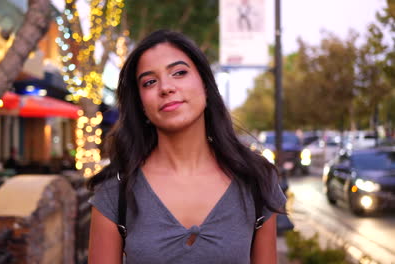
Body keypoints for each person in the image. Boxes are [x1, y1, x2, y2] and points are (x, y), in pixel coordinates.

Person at [87, 30, 286, 264]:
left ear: (205, 83)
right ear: (140, 104)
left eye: (179, 72)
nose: (166, 87)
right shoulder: (115, 191)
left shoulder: (256, 180)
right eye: (150, 82)